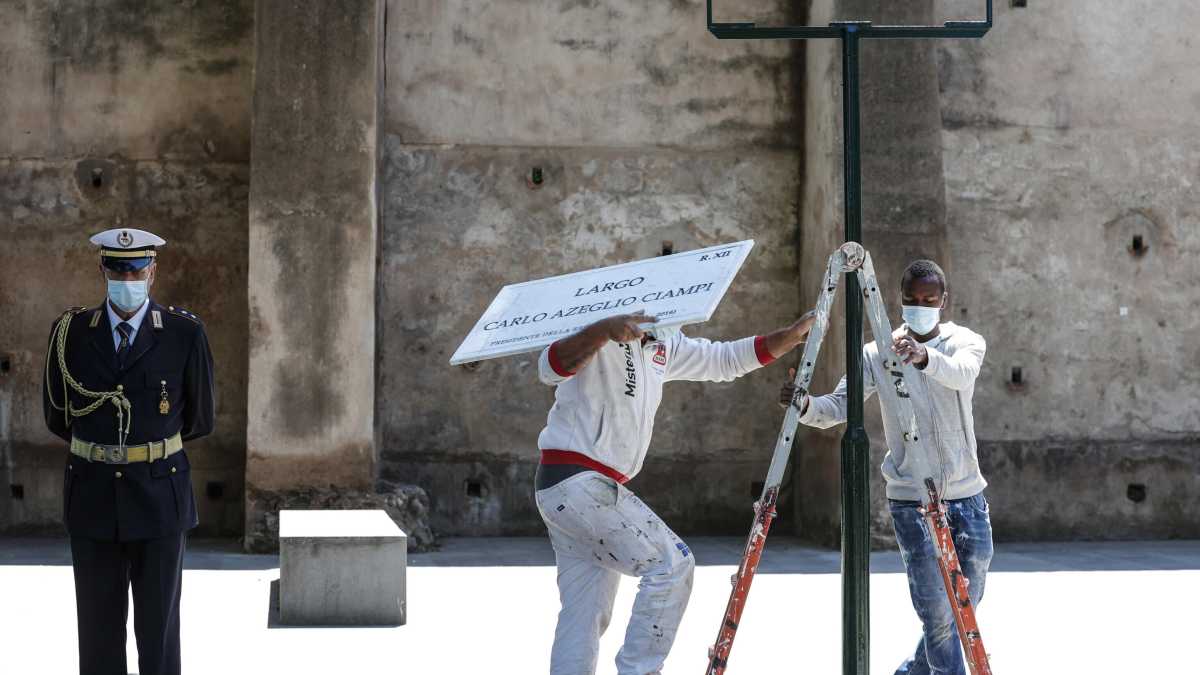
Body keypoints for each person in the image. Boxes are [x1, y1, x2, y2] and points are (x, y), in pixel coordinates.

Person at [534, 308, 816, 675]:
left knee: (584, 614)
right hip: (578, 482)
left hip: (574, 489)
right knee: (672, 565)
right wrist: (603, 331)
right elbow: (550, 367)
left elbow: (724, 359)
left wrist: (789, 336)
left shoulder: (663, 343)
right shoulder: (596, 327)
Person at [783, 259, 991, 675]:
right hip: (912, 500)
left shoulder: (965, 342)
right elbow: (840, 405)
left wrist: (925, 357)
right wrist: (803, 405)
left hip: (967, 495)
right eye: (912, 300)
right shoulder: (878, 352)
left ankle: (913, 671)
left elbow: (961, 374)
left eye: (929, 300)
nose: (920, 306)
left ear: (943, 301)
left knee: (965, 602)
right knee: (937, 614)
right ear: (900, 301)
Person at [42, 228, 216, 675]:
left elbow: (200, 418)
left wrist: (147, 449)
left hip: (159, 497)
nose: (127, 279)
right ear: (102, 269)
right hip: (93, 495)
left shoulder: (183, 333)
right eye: (118, 271)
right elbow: (57, 415)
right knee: (98, 634)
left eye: (137, 270)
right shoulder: (70, 333)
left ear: (153, 271)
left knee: (159, 635)